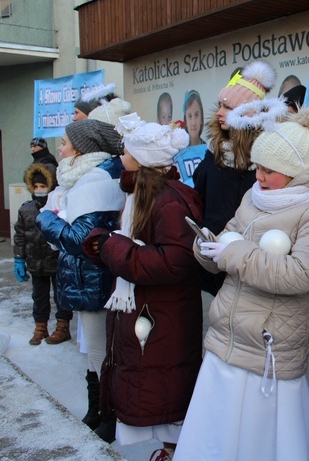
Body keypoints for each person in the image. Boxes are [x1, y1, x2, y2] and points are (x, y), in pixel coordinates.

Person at [174, 103, 309, 460]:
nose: (258, 177)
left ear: (296, 171)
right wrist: (207, 248)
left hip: (269, 351)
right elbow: (231, 236)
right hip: (228, 339)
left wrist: (234, 254)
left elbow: (302, 273)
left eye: (269, 170)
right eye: (257, 168)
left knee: (260, 442)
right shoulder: (254, 197)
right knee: (216, 437)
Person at [83, 115, 203, 460]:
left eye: (127, 148)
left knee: (166, 399)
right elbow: (134, 244)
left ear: (142, 158)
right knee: (154, 391)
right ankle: (169, 451)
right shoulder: (143, 194)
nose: (122, 152)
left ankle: (175, 452)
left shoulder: (167, 201)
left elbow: (174, 262)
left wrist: (112, 247)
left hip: (161, 315)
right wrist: (102, 245)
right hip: (147, 310)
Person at [35, 118, 126, 440]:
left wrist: (44, 217)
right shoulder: (82, 179)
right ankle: (96, 410)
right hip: (83, 277)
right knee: (91, 348)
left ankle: (108, 417)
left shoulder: (97, 182)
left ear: (83, 148)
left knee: (100, 348)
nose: (59, 148)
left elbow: (77, 239)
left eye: (64, 142)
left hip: (94, 278)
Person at [191, 61, 277, 294]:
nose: (219, 113)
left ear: (247, 114)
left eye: (227, 108)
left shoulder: (268, 158)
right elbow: (197, 200)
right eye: (220, 105)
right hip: (213, 259)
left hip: (251, 265)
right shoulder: (213, 154)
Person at [13, 162, 72, 345]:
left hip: (56, 261)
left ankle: (63, 327)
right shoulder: (26, 209)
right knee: (39, 297)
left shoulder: (59, 205)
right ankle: (40, 327)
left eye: (43, 186)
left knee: (61, 295)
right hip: (35, 262)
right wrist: (19, 259)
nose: (39, 190)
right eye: (36, 186)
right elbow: (20, 236)